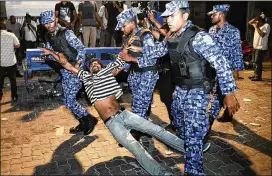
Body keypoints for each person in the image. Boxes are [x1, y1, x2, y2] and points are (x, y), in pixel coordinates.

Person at [39, 47, 186, 176]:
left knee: (156, 130)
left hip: (125, 114)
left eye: (97, 63)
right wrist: (51, 52)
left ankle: (189, 148)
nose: (94, 65)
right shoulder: (87, 77)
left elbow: (121, 55)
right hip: (113, 123)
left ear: (102, 66)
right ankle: (161, 173)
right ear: (88, 69)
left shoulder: (108, 71)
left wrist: (128, 43)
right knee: (137, 149)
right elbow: (66, 64)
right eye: (91, 65)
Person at [161, 1, 240, 175]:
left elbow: (221, 64)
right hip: (181, 91)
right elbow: (161, 54)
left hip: (198, 93)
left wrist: (228, 93)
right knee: (180, 125)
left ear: (185, 16)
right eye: (167, 16)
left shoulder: (199, 37)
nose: (168, 20)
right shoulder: (172, 35)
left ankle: (194, 170)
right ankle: (191, 146)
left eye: (172, 16)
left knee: (193, 134)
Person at [40, 10, 97, 135]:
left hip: (75, 69)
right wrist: (49, 56)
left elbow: (81, 49)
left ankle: (89, 119)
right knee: (67, 101)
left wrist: (77, 66)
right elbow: (52, 53)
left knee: (70, 100)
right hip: (64, 71)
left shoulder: (66, 33)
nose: (49, 25)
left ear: (55, 19)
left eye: (50, 22)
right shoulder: (48, 36)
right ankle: (83, 122)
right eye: (45, 24)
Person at [115, 9, 168, 139]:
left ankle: (135, 133)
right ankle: (144, 130)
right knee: (138, 104)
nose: (122, 29)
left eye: (123, 25)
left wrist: (131, 59)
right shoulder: (129, 38)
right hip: (135, 74)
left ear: (131, 23)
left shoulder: (146, 35)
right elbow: (127, 58)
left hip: (147, 74)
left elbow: (153, 58)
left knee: (139, 106)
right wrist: (119, 69)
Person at [204, 4, 244, 148]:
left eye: (213, 14)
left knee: (216, 98)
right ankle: (228, 113)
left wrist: (235, 71)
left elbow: (236, 52)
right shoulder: (211, 30)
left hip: (225, 72)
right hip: (212, 71)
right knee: (221, 94)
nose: (211, 16)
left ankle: (206, 128)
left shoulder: (233, 31)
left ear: (221, 14)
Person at [0, 20, 20, 101]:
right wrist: (12, 46)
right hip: (11, 62)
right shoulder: (11, 35)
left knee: (0, 80)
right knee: (13, 80)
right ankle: (14, 96)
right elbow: (18, 45)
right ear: (6, 28)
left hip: (1, 63)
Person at [248, 13, 271, 81]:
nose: (256, 22)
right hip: (255, 46)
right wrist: (255, 19)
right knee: (254, 62)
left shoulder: (267, 26)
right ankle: (255, 75)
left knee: (258, 62)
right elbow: (249, 22)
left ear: (262, 21)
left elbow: (262, 35)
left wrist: (257, 26)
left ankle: (258, 77)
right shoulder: (256, 24)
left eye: (258, 20)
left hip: (261, 47)